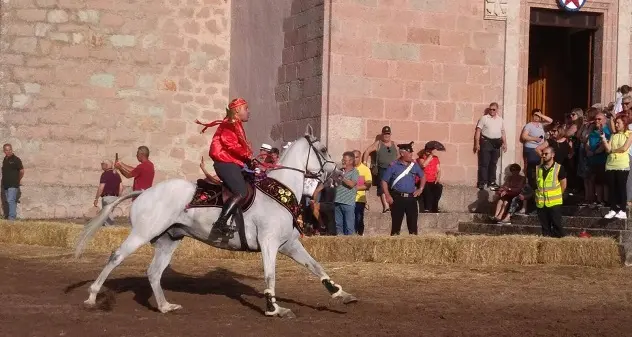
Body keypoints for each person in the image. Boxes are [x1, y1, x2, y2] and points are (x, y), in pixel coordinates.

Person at [195, 98, 253, 235]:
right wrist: (247, 154)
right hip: (225, 162)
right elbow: (229, 144)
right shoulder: (229, 124)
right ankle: (220, 223)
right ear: (237, 110)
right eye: (246, 108)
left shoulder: (236, 124)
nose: (248, 112)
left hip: (231, 162)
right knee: (241, 192)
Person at [381, 142, 426, 236]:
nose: (411, 155)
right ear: (402, 154)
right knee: (396, 227)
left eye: (411, 153)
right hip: (398, 198)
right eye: (409, 153)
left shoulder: (414, 165)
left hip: (411, 198)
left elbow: (423, 177)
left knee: (413, 226)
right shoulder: (393, 166)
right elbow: (384, 181)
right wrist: (387, 195)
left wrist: (420, 189)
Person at [600, 114, 632, 219]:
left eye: (618, 123)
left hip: (622, 164)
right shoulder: (613, 135)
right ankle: (613, 209)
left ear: (624, 123)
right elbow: (608, 149)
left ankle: (622, 209)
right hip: (610, 164)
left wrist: (613, 151)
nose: (616, 125)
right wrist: (604, 139)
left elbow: (624, 148)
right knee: (612, 188)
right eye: (616, 123)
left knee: (621, 187)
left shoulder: (629, 134)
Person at [362, 126, 398, 213]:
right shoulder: (378, 143)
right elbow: (367, 151)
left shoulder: (394, 144)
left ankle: (393, 205)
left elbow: (400, 155)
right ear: (382, 134)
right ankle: (386, 206)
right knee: (382, 187)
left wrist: (396, 163)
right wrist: (364, 162)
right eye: (385, 134)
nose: (386, 135)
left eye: (388, 134)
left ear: (390, 134)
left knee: (394, 186)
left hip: (393, 169)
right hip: (382, 169)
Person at [535, 146, 567, 238]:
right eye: (543, 154)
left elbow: (563, 184)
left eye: (546, 154)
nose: (543, 156)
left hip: (554, 202)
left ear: (552, 155)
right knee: (545, 228)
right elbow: (536, 184)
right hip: (541, 202)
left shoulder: (559, 168)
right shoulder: (538, 168)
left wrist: (558, 194)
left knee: (557, 226)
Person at [94, 159, 123, 226]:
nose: (101, 165)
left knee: (107, 216)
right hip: (115, 197)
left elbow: (101, 187)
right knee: (109, 214)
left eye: (102, 164)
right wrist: (118, 197)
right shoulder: (117, 174)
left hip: (107, 198)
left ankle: (109, 229)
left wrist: (96, 199)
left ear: (106, 165)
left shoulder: (105, 174)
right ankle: (107, 229)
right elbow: (121, 187)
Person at [1, 144, 23, 221]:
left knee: (11, 200)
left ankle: (11, 219)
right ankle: (10, 217)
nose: (9, 151)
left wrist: (18, 180)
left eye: (10, 149)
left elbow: (21, 171)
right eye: (7, 150)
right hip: (6, 185)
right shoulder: (5, 159)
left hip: (13, 184)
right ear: (4, 151)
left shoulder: (16, 159)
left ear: (12, 149)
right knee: (9, 201)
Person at [352, 150, 372, 236]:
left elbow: (368, 185)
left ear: (360, 157)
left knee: (359, 219)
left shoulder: (365, 169)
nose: (354, 159)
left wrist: (355, 188)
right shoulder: (347, 169)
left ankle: (360, 235)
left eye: (356, 157)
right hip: (348, 199)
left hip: (359, 199)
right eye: (352, 157)